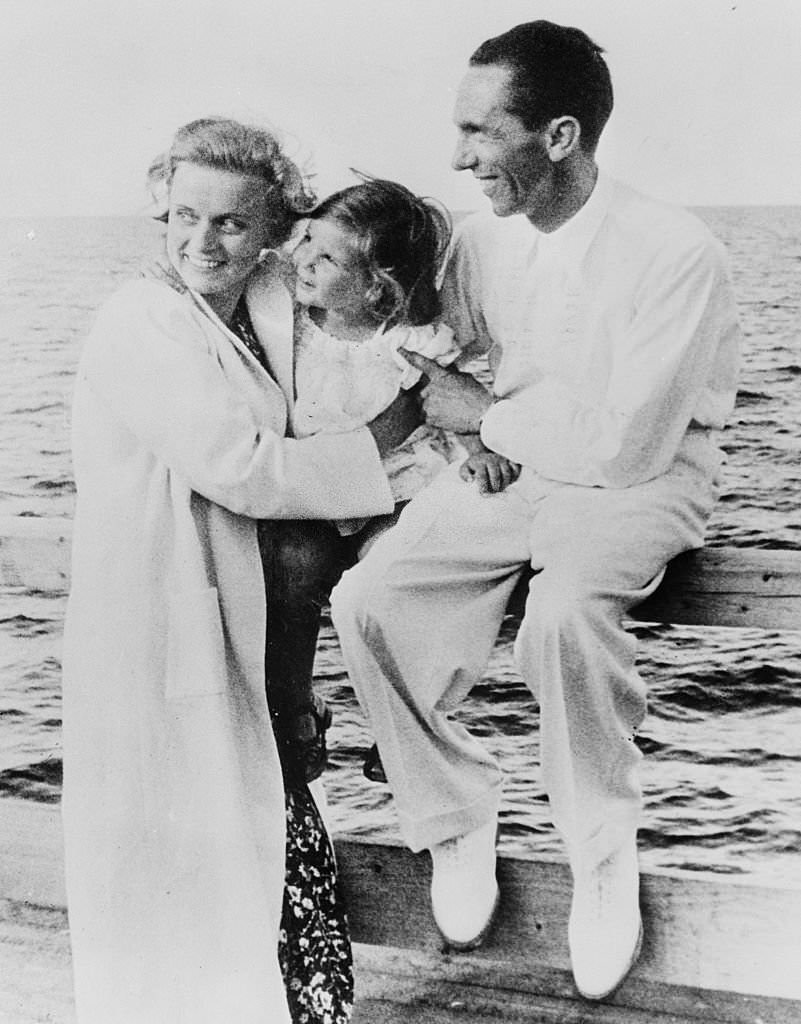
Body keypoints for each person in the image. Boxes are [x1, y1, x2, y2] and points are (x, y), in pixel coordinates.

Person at [330, 20, 741, 1001]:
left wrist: (491, 416)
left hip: (644, 485)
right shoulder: (478, 242)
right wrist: (460, 421)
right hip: (519, 467)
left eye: (480, 131)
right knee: (369, 603)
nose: (459, 156)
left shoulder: (677, 251)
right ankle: (454, 815)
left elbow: (629, 446)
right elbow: (435, 359)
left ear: (558, 135)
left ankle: (603, 857)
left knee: (561, 622)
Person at [61, 117, 418, 1024]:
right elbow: (244, 467)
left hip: (247, 632)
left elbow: (368, 295)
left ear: (273, 230)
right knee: (179, 874)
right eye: (183, 215)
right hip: (158, 628)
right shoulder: (139, 319)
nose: (200, 240)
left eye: (229, 222)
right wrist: (401, 427)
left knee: (261, 843)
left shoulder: (256, 302)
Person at [259, 175, 518, 786]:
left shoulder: (407, 341)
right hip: (322, 496)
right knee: (289, 576)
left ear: (377, 285)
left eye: (327, 257)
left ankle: (405, 720)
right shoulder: (291, 328)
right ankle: (297, 703)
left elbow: (451, 393)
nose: (304, 261)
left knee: (399, 590)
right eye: (306, 242)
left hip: (400, 490)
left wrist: (484, 445)